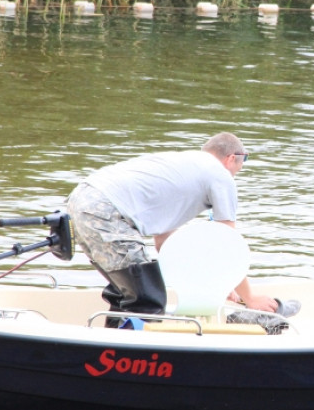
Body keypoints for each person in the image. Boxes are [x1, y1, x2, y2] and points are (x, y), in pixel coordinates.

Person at [66, 132, 284, 324]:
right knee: (147, 299)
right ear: (231, 159)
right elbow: (227, 244)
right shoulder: (220, 175)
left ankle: (112, 342)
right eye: (240, 166)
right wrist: (250, 299)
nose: (237, 173)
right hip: (104, 209)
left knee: (127, 289)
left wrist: (218, 283)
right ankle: (132, 360)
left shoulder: (185, 167)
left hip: (81, 199)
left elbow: (166, 245)